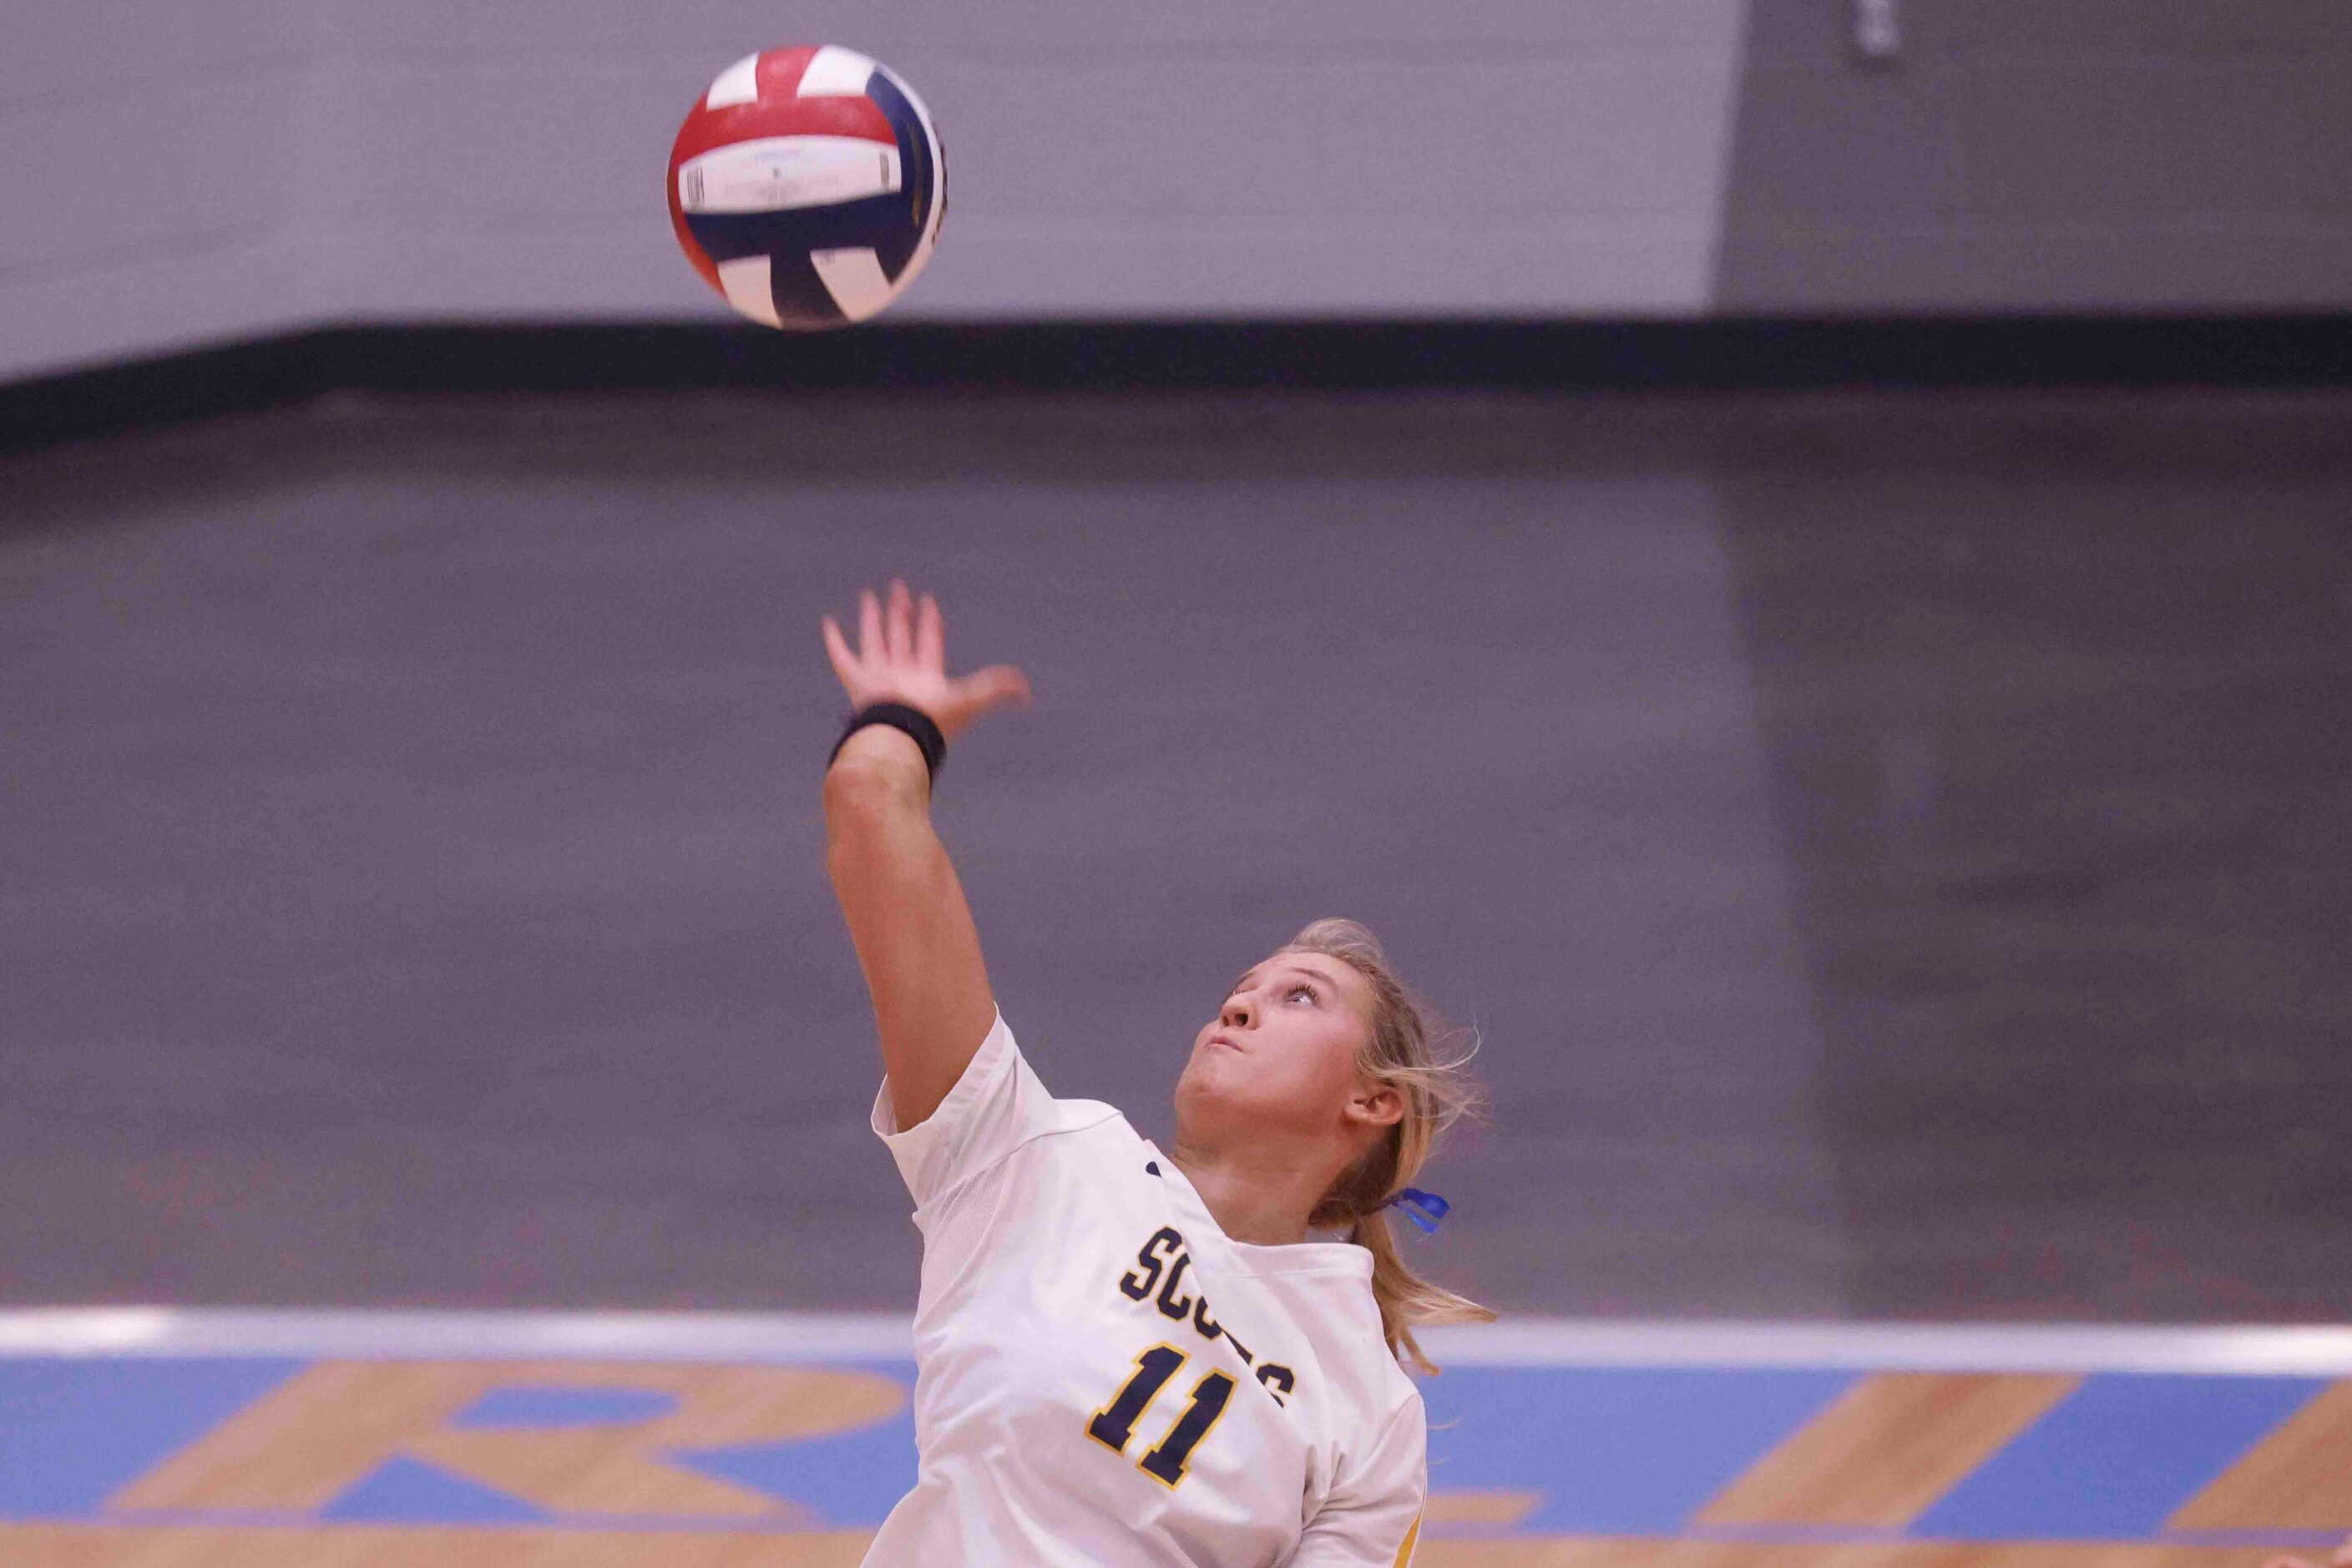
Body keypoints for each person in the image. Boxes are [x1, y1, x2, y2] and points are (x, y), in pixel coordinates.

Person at [820, 579, 1495, 1566]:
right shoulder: (1037, 1162)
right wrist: (901, 718)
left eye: (1299, 997)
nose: (1239, 1006)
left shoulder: (1367, 1407)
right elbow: (870, 811)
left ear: (1373, 1099)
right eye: (1243, 988)